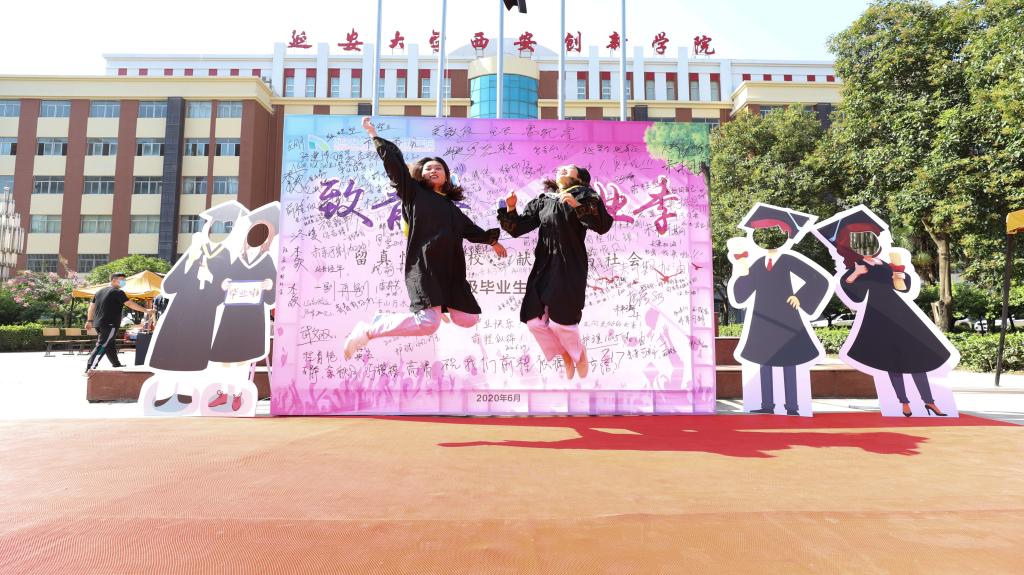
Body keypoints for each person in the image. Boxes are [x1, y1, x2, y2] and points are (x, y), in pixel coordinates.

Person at [343, 117, 508, 359]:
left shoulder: (452, 208)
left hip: (451, 271)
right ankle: (371, 328)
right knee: (429, 324)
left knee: (469, 318)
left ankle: (438, 308)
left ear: (446, 177)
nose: (433, 170)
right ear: (421, 174)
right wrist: (374, 135)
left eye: (438, 168)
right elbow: (395, 167)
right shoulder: (414, 193)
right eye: (428, 168)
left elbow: (471, 230)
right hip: (425, 266)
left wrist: (492, 242)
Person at [813, 206, 954, 417]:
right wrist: (855, 275)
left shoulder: (886, 264)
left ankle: (929, 401)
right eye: (861, 243)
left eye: (870, 240)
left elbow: (903, 288)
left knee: (917, 359)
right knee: (892, 363)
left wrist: (899, 273)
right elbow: (855, 297)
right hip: (878, 317)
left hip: (902, 315)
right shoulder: (854, 269)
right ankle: (903, 403)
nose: (867, 246)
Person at [497, 164, 614, 379]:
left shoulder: (586, 195)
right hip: (543, 264)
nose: (562, 170)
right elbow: (518, 228)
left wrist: (577, 206)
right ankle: (565, 353)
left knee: (561, 322)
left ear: (580, 178)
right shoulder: (545, 200)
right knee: (534, 322)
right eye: (560, 169)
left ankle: (578, 353)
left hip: (569, 263)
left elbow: (602, 226)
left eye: (569, 169)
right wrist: (511, 209)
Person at [727, 204, 832, 416]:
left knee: (789, 361)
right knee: (764, 361)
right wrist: (742, 270)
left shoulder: (788, 259)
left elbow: (819, 279)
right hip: (762, 318)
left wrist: (801, 297)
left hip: (786, 316)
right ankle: (767, 405)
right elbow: (740, 296)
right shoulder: (757, 263)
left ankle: (792, 406)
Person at [85, 272, 153, 371]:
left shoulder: (99, 292)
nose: (124, 282)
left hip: (98, 323)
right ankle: (90, 367)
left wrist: (89, 320)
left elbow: (91, 307)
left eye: (125, 280)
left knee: (109, 344)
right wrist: (146, 310)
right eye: (122, 280)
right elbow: (129, 304)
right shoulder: (118, 292)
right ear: (113, 280)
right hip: (110, 323)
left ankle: (116, 364)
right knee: (103, 345)